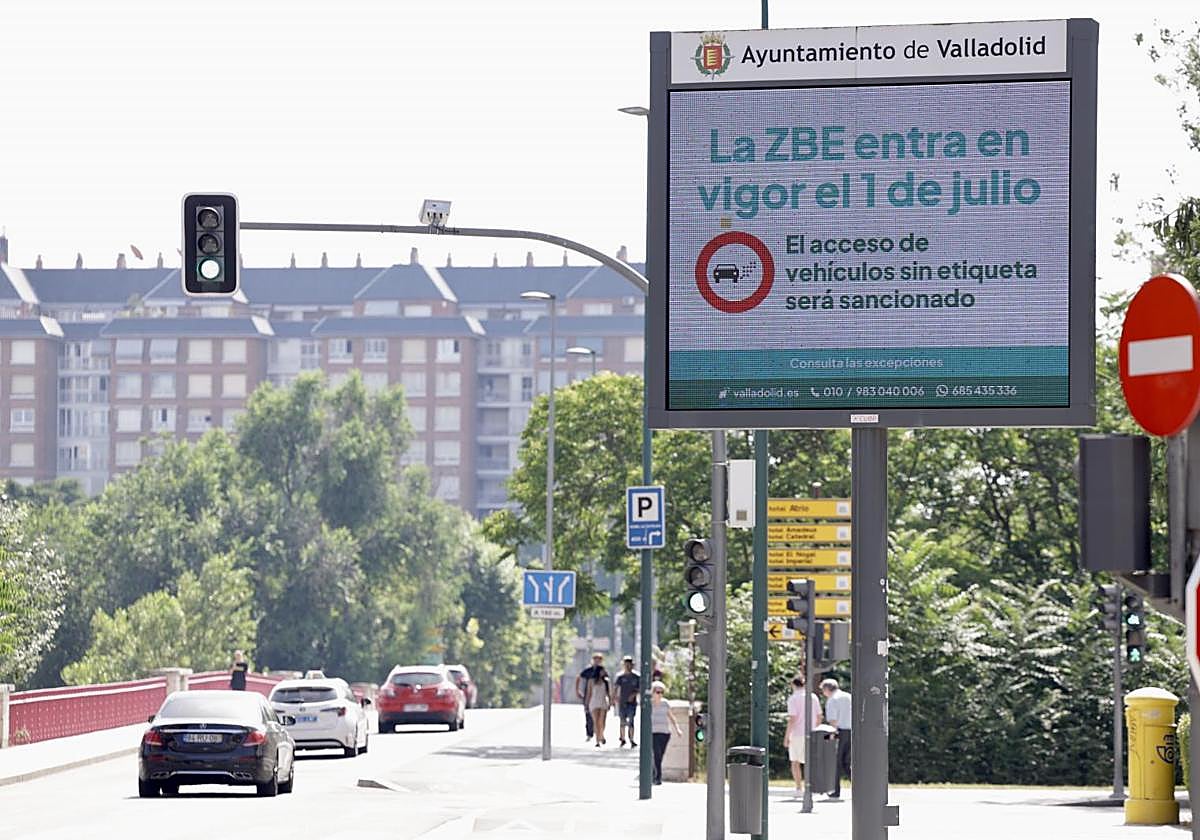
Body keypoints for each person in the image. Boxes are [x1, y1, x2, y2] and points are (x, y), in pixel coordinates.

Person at [783, 675, 822, 796]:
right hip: (811, 732)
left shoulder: (793, 699)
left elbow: (792, 719)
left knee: (795, 761)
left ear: (793, 685)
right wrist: (815, 729)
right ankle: (813, 786)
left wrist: (786, 737)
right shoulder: (813, 697)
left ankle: (799, 788)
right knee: (811, 761)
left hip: (797, 733)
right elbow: (819, 716)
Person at [821, 678, 852, 800]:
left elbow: (833, 721)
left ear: (827, 689)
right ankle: (860, 787)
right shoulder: (848, 696)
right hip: (851, 732)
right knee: (847, 762)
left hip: (839, 731)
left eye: (823, 690)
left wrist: (830, 737)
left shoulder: (832, 700)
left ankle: (835, 790)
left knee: (835, 762)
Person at [649, 680, 683, 784]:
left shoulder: (665, 703)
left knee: (660, 754)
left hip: (665, 733)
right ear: (653, 692)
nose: (659, 694)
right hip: (653, 732)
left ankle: (654, 773)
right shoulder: (649, 704)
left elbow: (671, 717)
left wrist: (677, 729)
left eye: (661, 692)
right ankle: (658, 777)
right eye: (657, 692)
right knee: (657, 754)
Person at [612, 655, 640, 748]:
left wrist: (634, 694)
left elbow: (640, 688)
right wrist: (614, 698)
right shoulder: (620, 677)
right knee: (622, 721)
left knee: (631, 721)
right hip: (622, 701)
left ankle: (632, 739)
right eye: (626, 664)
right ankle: (622, 738)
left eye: (629, 664)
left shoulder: (636, 677)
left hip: (632, 702)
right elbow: (616, 687)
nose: (628, 666)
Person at [575, 654, 604, 741]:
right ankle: (589, 733)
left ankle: (599, 733)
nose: (597, 661)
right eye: (595, 659)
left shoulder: (602, 670)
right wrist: (577, 690)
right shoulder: (588, 670)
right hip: (588, 694)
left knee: (599, 716)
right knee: (588, 714)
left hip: (599, 695)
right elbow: (578, 677)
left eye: (599, 659)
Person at [584, 655, 612, 747]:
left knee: (602, 721)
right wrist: (586, 704)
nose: (603, 672)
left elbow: (609, 693)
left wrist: (610, 702)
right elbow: (589, 693)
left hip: (603, 702)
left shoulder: (606, 681)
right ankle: (597, 740)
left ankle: (601, 735)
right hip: (594, 702)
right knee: (596, 721)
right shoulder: (591, 681)